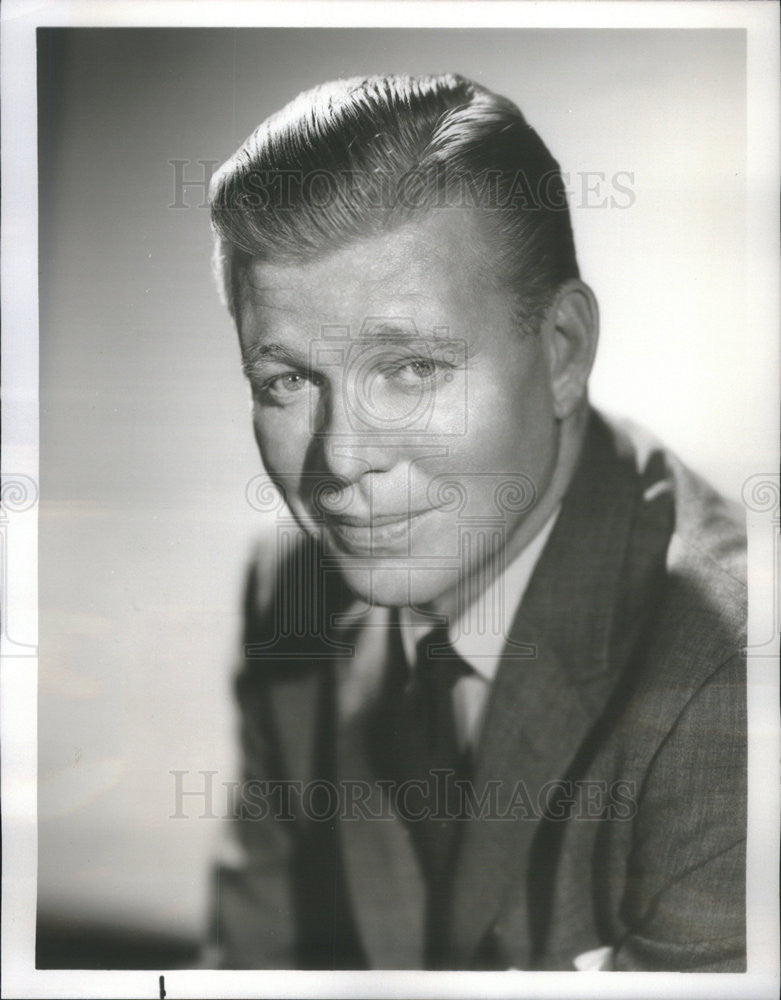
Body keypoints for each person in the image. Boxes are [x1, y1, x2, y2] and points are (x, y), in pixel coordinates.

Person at [206, 74, 746, 972]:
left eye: (412, 368)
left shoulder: (736, 683)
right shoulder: (292, 592)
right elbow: (254, 966)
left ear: (562, 349)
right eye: (287, 382)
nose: (339, 462)